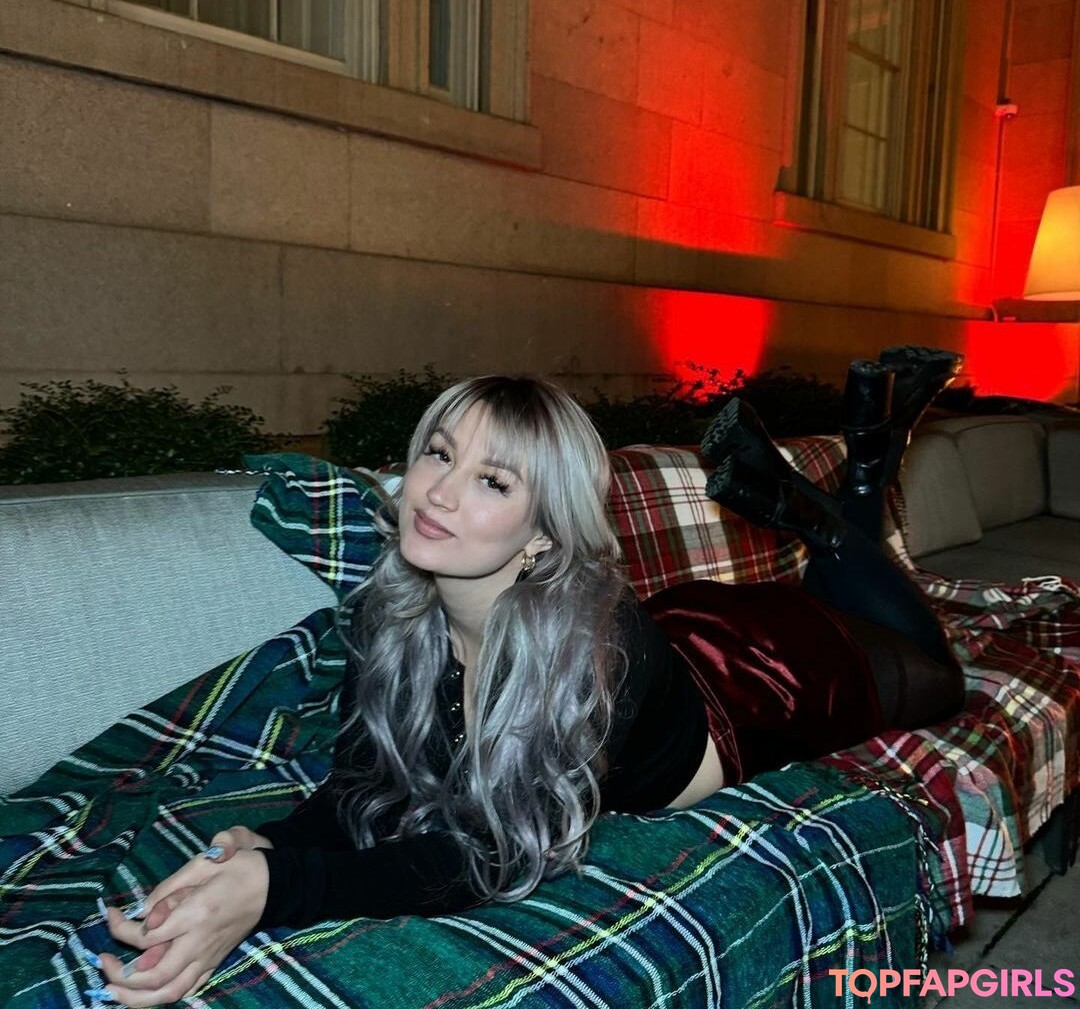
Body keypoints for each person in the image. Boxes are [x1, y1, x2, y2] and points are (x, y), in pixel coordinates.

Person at [91, 351, 965, 1006]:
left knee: (940, 671)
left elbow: (493, 854)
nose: (437, 492)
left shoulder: (598, 655)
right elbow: (361, 786)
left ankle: (837, 504)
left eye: (491, 480)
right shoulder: (391, 607)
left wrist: (277, 890)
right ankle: (841, 494)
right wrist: (270, 844)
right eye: (439, 454)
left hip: (779, 675)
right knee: (839, 588)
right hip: (676, 631)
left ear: (543, 531)